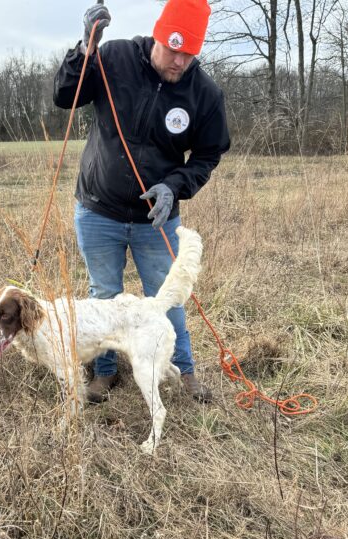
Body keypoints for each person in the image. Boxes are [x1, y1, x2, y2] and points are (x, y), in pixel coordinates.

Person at [53, 0, 230, 403]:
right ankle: (105, 372)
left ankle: (183, 374)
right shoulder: (114, 57)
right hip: (99, 208)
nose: (180, 61)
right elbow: (65, 96)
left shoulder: (204, 94)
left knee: (168, 299)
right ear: (158, 34)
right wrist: (85, 49)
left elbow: (207, 155)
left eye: (190, 54)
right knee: (103, 296)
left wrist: (174, 186)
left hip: (156, 219)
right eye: (173, 49)